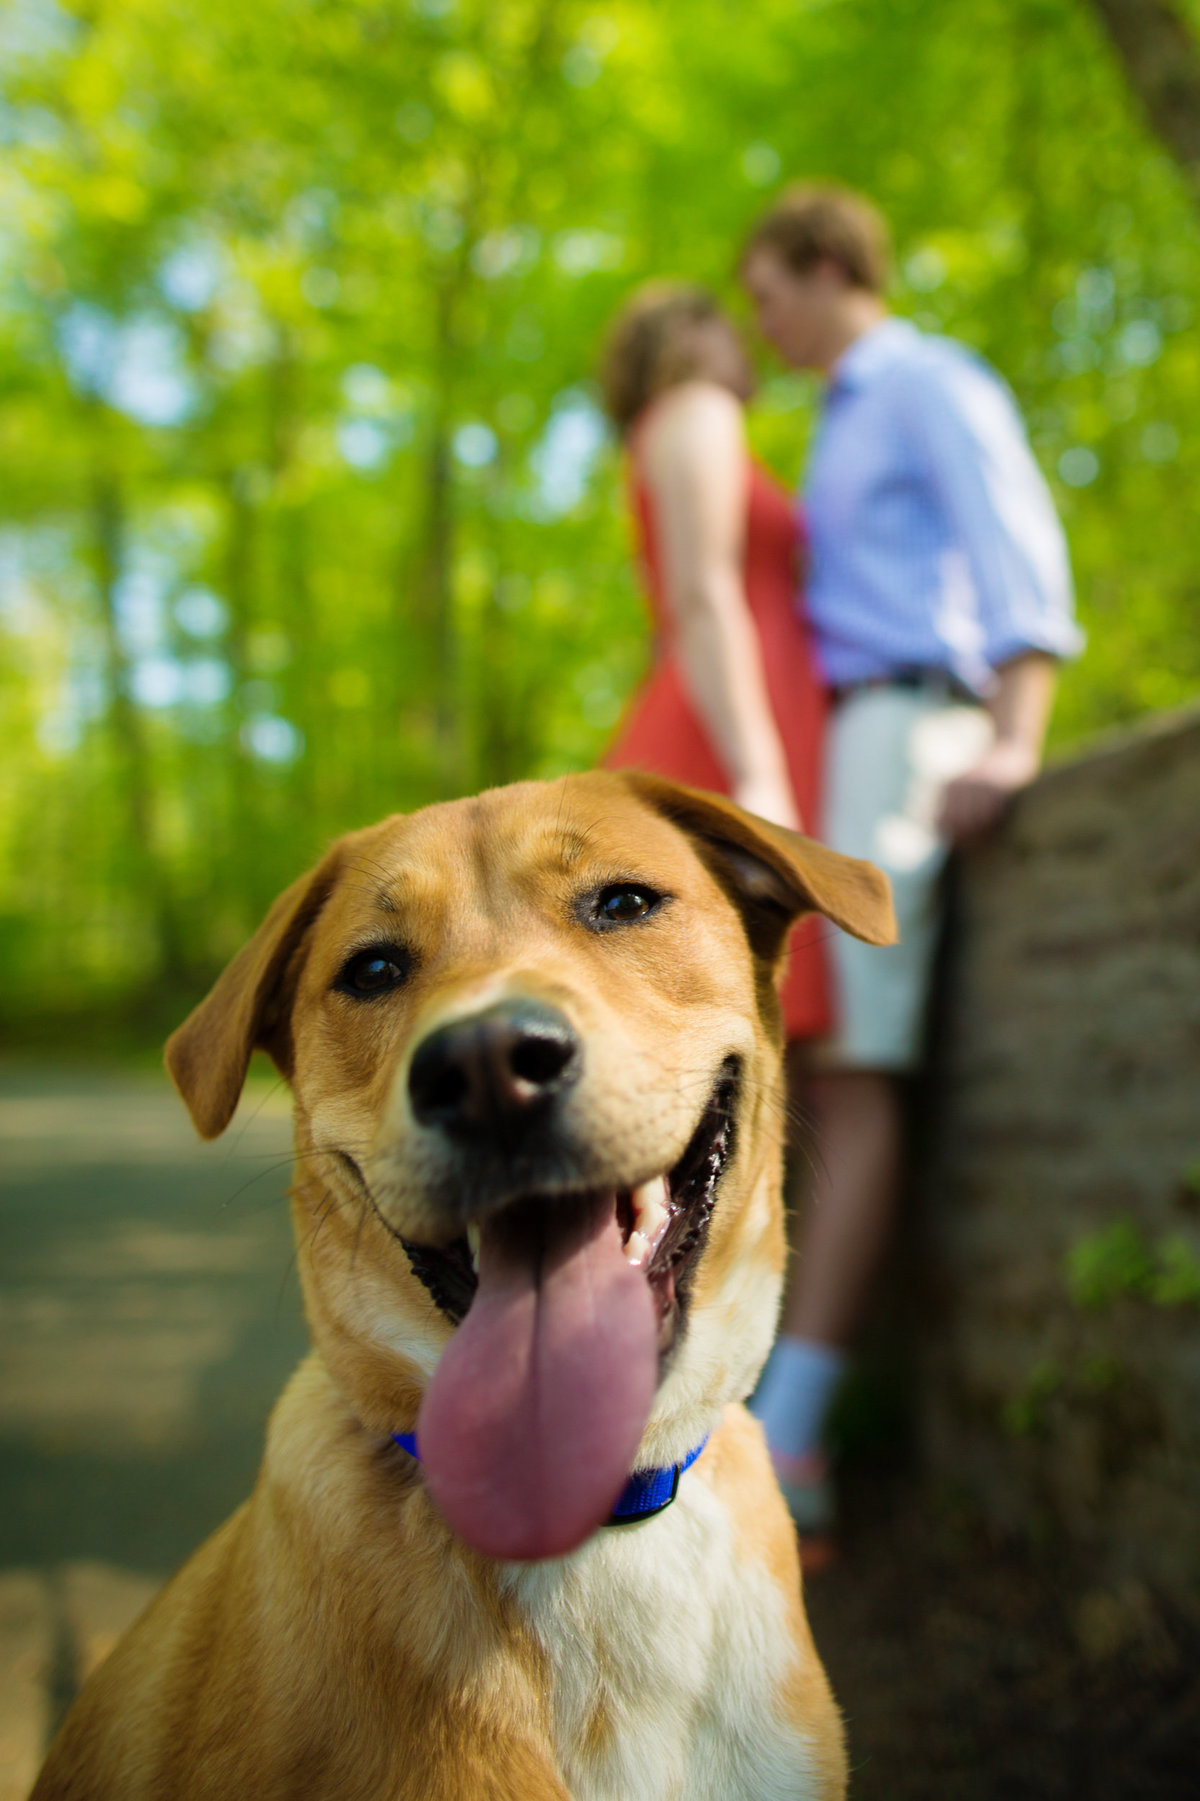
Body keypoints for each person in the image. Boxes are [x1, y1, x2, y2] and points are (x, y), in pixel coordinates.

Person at [738, 184, 1083, 1543]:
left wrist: (1013, 738)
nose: (763, 323)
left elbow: (1017, 545)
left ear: (827, 268)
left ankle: (795, 1436)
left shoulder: (928, 381)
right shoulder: (835, 420)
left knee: (859, 1074)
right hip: (847, 742)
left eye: (770, 292)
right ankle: (791, 1399)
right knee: (823, 1060)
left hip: (906, 730)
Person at [599, 282, 833, 1043]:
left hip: (745, 705)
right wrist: (757, 774)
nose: (744, 338)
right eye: (725, 325)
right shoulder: (698, 409)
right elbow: (701, 595)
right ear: (686, 337)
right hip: (734, 725)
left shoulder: (665, 430)